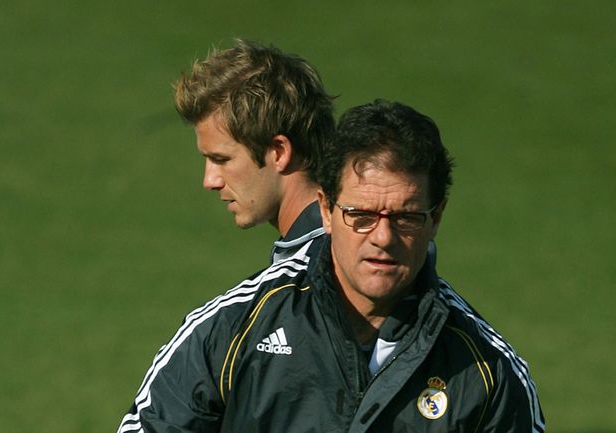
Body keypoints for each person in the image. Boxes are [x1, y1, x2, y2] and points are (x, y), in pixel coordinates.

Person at [116, 100, 545, 432]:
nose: (382, 237)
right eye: (360, 215)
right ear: (325, 209)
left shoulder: (487, 370)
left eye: (406, 217)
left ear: (436, 218)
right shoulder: (234, 329)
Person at [173, 38, 335, 262]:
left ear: (279, 152)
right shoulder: (331, 251)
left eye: (221, 159)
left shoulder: (320, 270)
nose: (209, 181)